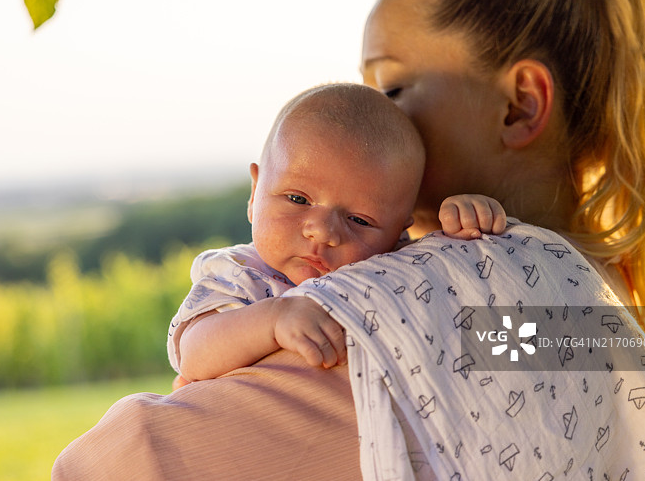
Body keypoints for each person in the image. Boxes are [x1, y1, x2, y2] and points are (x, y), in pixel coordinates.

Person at [52, 0, 645, 479]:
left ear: (519, 104)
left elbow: (136, 462)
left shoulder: (422, 304)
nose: (371, 117)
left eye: (390, 87)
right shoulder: (591, 305)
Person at [168, 83, 506, 386]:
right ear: (255, 194)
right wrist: (273, 320)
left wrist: (459, 229)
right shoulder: (240, 274)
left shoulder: (389, 262)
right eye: (298, 199)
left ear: (399, 233)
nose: (323, 232)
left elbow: (485, 329)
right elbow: (193, 352)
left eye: (359, 220)